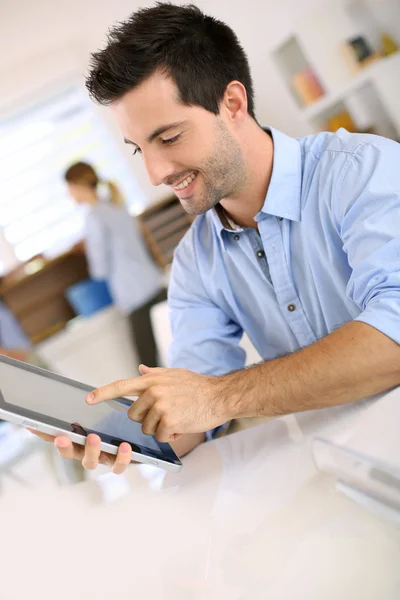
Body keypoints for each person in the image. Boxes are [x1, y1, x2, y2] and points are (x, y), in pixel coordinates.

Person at [33, 3, 400, 474]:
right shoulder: (195, 261)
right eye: (138, 148)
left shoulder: (362, 172)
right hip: (345, 471)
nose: (155, 173)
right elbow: (194, 414)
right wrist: (122, 437)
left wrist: (220, 397)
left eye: (168, 138)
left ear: (232, 104)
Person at [64, 162, 166, 368]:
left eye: (69, 187)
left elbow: (100, 271)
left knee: (148, 369)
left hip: (136, 298)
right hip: (156, 285)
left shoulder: (94, 218)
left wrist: (89, 250)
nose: (68, 194)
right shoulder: (117, 206)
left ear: (78, 185)